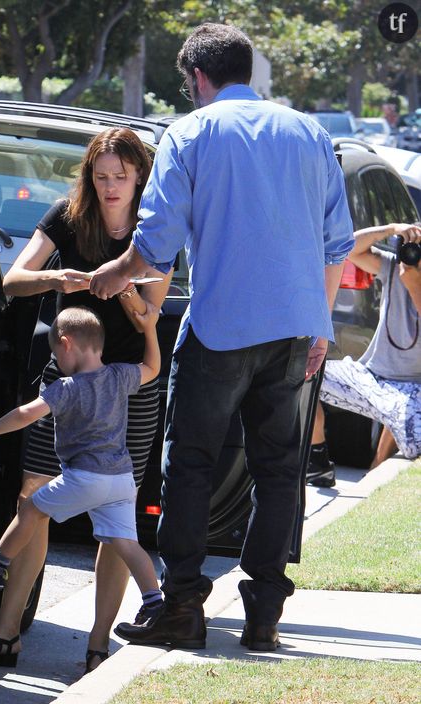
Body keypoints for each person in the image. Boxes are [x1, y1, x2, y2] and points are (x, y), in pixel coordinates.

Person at [90, 23, 354, 652]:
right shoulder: (311, 133)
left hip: (219, 330)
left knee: (190, 467)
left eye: (189, 86)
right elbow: (337, 244)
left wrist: (110, 275)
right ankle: (264, 614)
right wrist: (319, 324)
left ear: (198, 79)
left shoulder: (190, 133)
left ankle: (182, 606)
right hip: (294, 330)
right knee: (280, 472)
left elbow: (154, 244)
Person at [0, 127, 175, 671]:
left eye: (120, 178)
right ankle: (7, 630)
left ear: (139, 179)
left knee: (116, 516)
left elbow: (152, 315)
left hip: (129, 383)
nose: (109, 188)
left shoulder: (156, 228)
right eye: (101, 177)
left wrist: (122, 286)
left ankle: (99, 640)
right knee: (32, 497)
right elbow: (13, 280)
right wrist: (61, 277)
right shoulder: (65, 215)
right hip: (65, 377)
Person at [0, 305, 164, 663]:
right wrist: (150, 329)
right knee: (127, 544)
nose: (55, 359)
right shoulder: (120, 375)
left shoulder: (65, 388)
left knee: (30, 508)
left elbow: (27, 413)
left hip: (85, 476)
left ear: (66, 343)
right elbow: (153, 368)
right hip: (122, 479)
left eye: (55, 353)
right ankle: (153, 600)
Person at [308, 222, 421, 487]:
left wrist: (414, 285)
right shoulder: (394, 266)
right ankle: (317, 460)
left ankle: (378, 467)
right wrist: (391, 228)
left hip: (411, 388)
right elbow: (348, 249)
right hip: (370, 377)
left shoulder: (407, 276)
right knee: (305, 373)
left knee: (415, 440)